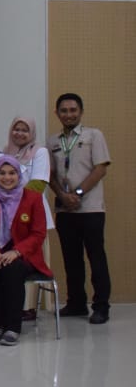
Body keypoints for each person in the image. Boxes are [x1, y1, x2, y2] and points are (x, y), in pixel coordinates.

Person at [47, 93, 111, 324]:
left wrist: (78, 194)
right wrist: (62, 196)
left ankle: (101, 306)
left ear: (81, 112)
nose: (69, 114)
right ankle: (76, 303)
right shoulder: (52, 141)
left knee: (96, 257)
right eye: (64, 111)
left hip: (91, 208)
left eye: (73, 110)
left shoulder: (94, 135)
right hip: (65, 210)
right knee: (71, 259)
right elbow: (50, 174)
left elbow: (100, 169)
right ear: (57, 113)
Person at [0, 154, 53, 345]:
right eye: (2, 173)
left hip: (24, 254)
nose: (7, 177)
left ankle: (12, 326)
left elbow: (38, 233)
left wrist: (17, 251)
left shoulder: (33, 198)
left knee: (13, 269)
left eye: (12, 173)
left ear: (19, 175)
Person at [4, 115, 54, 318]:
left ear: (31, 133)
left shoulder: (40, 152)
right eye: (16, 129)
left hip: (33, 214)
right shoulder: (6, 152)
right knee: (12, 260)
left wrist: (14, 199)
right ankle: (11, 304)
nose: (20, 133)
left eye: (25, 130)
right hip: (9, 217)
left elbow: (38, 183)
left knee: (30, 257)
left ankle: (29, 307)